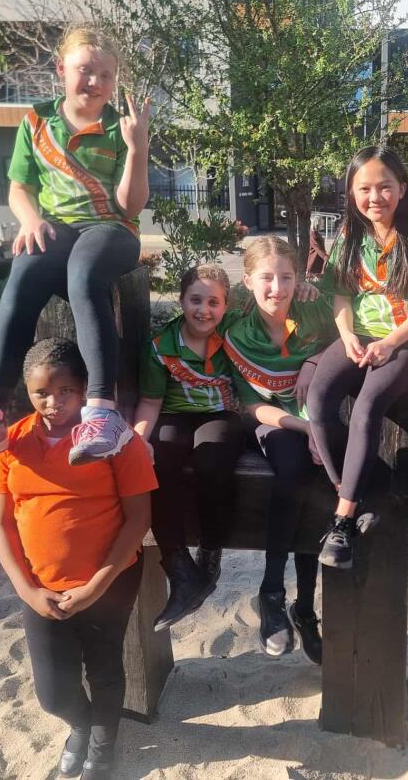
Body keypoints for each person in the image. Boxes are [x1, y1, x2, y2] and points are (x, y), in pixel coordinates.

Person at [0, 27, 150, 468]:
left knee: (84, 273)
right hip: (56, 228)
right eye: (85, 70)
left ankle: (101, 412)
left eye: (106, 75)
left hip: (110, 229)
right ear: (61, 70)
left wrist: (137, 149)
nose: (95, 82)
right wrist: (31, 220)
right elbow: (19, 188)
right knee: (24, 271)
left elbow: (130, 206)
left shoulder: (120, 125)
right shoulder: (36, 122)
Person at [0, 338, 156, 780]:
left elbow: (139, 518)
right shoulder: (10, 442)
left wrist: (96, 586)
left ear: (85, 389)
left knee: (104, 668)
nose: (54, 402)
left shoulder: (114, 438)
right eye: (41, 393)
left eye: (66, 391)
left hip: (109, 580)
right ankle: (80, 725)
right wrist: (28, 590)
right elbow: (0, 525)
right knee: (53, 693)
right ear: (27, 391)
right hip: (41, 588)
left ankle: (102, 747)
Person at [307, 146, 408, 569]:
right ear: (352, 193)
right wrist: (347, 336)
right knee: (319, 401)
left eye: (385, 187)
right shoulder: (349, 237)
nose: (375, 197)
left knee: (368, 405)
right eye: (364, 188)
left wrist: (391, 342)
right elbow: (340, 298)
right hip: (360, 333)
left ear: (402, 188)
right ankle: (354, 492)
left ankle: (342, 521)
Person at [223, 236, 335, 662]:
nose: (277, 288)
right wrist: (304, 428)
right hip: (271, 421)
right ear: (248, 280)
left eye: (286, 277)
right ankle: (272, 593)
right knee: (293, 466)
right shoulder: (236, 329)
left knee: (326, 481)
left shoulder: (314, 309)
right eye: (266, 278)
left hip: (314, 415)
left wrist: (313, 361)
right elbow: (252, 406)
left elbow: (349, 333)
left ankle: (304, 608)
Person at [133, 265, 244, 632]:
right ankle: (181, 571)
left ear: (226, 305)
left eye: (214, 302)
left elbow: (275, 314)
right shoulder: (162, 345)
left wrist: (307, 292)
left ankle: (209, 553)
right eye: (195, 300)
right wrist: (139, 438)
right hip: (174, 414)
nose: (204, 310)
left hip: (221, 414)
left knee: (211, 459)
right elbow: (150, 402)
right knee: (155, 463)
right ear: (181, 301)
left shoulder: (234, 334)